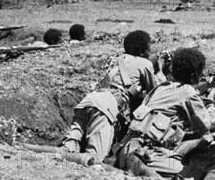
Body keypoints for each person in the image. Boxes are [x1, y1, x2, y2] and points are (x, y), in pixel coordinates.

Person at [58, 30, 164, 165]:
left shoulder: (115, 60)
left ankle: (36, 153)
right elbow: (155, 92)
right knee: (94, 159)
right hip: (106, 107)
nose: (150, 53)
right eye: (149, 49)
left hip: (90, 99)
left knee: (68, 147)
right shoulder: (144, 63)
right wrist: (160, 70)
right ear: (142, 50)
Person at [114, 47, 215, 178]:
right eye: (200, 72)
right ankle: (141, 169)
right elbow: (206, 126)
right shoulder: (188, 91)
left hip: (127, 149)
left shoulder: (161, 87)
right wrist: (211, 104)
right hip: (147, 154)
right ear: (194, 75)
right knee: (195, 173)